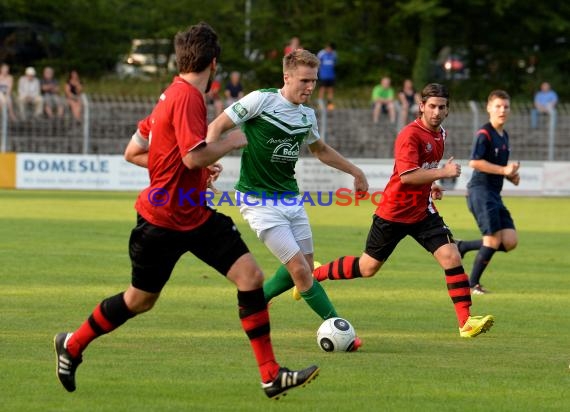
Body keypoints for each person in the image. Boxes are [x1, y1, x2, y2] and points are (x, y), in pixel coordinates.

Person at [53, 22, 319, 400]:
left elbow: (138, 152)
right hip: (165, 220)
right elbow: (194, 156)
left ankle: (270, 375)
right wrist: (231, 142)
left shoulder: (169, 96)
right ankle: (73, 344)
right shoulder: (190, 98)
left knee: (250, 277)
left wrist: (190, 168)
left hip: (189, 215)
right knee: (139, 299)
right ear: (214, 63)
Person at [294, 83, 495, 338]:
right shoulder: (409, 135)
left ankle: (465, 322)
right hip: (394, 212)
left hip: (422, 212)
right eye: (431, 106)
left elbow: (423, 170)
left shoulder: (440, 134)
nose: (436, 112)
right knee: (367, 268)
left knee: (452, 256)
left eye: (441, 107)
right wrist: (442, 173)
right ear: (421, 107)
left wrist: (432, 184)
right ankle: (315, 275)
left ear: (447, 110)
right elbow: (408, 176)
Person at [207, 49, 368, 347]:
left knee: (304, 265)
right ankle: (341, 329)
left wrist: (354, 171)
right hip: (257, 200)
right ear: (287, 77)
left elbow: (320, 151)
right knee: (300, 271)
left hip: (290, 198)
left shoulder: (307, 115)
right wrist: (205, 161)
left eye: (314, 81)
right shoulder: (261, 100)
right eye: (304, 80)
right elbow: (216, 127)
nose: (309, 87)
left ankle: (256, 301)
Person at [456, 90, 520, 295]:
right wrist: (504, 171)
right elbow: (474, 162)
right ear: (489, 108)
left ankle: (463, 246)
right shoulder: (484, 133)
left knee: (509, 241)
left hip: (494, 194)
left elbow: (497, 165)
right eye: (498, 106)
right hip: (480, 192)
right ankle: (472, 284)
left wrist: (511, 176)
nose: (502, 110)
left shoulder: (504, 135)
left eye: (506, 106)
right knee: (492, 240)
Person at [317, 42, 337, 111]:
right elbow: (318, 63)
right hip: (323, 76)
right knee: (322, 89)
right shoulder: (321, 53)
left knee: (330, 90)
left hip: (331, 76)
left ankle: (330, 104)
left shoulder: (334, 54)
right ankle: (320, 104)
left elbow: (334, 64)